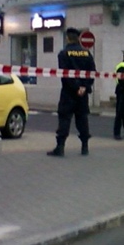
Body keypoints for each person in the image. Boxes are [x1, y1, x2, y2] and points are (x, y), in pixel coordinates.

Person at [47, 27, 96, 157]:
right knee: (82, 119)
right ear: (78, 38)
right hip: (83, 94)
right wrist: (84, 87)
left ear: (67, 38)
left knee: (64, 118)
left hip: (68, 93)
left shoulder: (63, 53)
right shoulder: (87, 53)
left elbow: (65, 74)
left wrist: (75, 87)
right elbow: (92, 73)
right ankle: (85, 147)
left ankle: (60, 147)